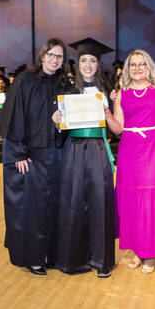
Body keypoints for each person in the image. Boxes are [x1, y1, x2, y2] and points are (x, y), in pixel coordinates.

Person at [0, 37, 71, 276]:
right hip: (31, 156)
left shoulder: (63, 83)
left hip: (56, 152)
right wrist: (17, 153)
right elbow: (15, 116)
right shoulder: (25, 80)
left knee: (53, 204)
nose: (54, 60)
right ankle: (33, 258)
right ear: (42, 55)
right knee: (31, 207)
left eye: (59, 56)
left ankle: (50, 255)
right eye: (51, 55)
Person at [52, 37, 116, 278]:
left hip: (99, 149)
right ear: (77, 64)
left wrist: (111, 109)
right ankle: (74, 260)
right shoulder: (68, 92)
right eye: (84, 60)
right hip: (75, 149)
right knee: (74, 201)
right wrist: (57, 124)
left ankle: (101, 261)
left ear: (98, 64)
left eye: (92, 61)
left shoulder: (108, 91)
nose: (88, 65)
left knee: (101, 202)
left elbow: (116, 127)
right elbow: (61, 131)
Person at [104, 49, 155, 274]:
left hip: (153, 149)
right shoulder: (122, 93)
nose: (137, 68)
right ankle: (137, 251)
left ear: (149, 66)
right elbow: (118, 129)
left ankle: (150, 254)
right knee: (131, 201)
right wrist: (107, 115)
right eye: (133, 64)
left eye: (142, 64)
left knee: (150, 199)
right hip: (129, 151)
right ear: (127, 69)